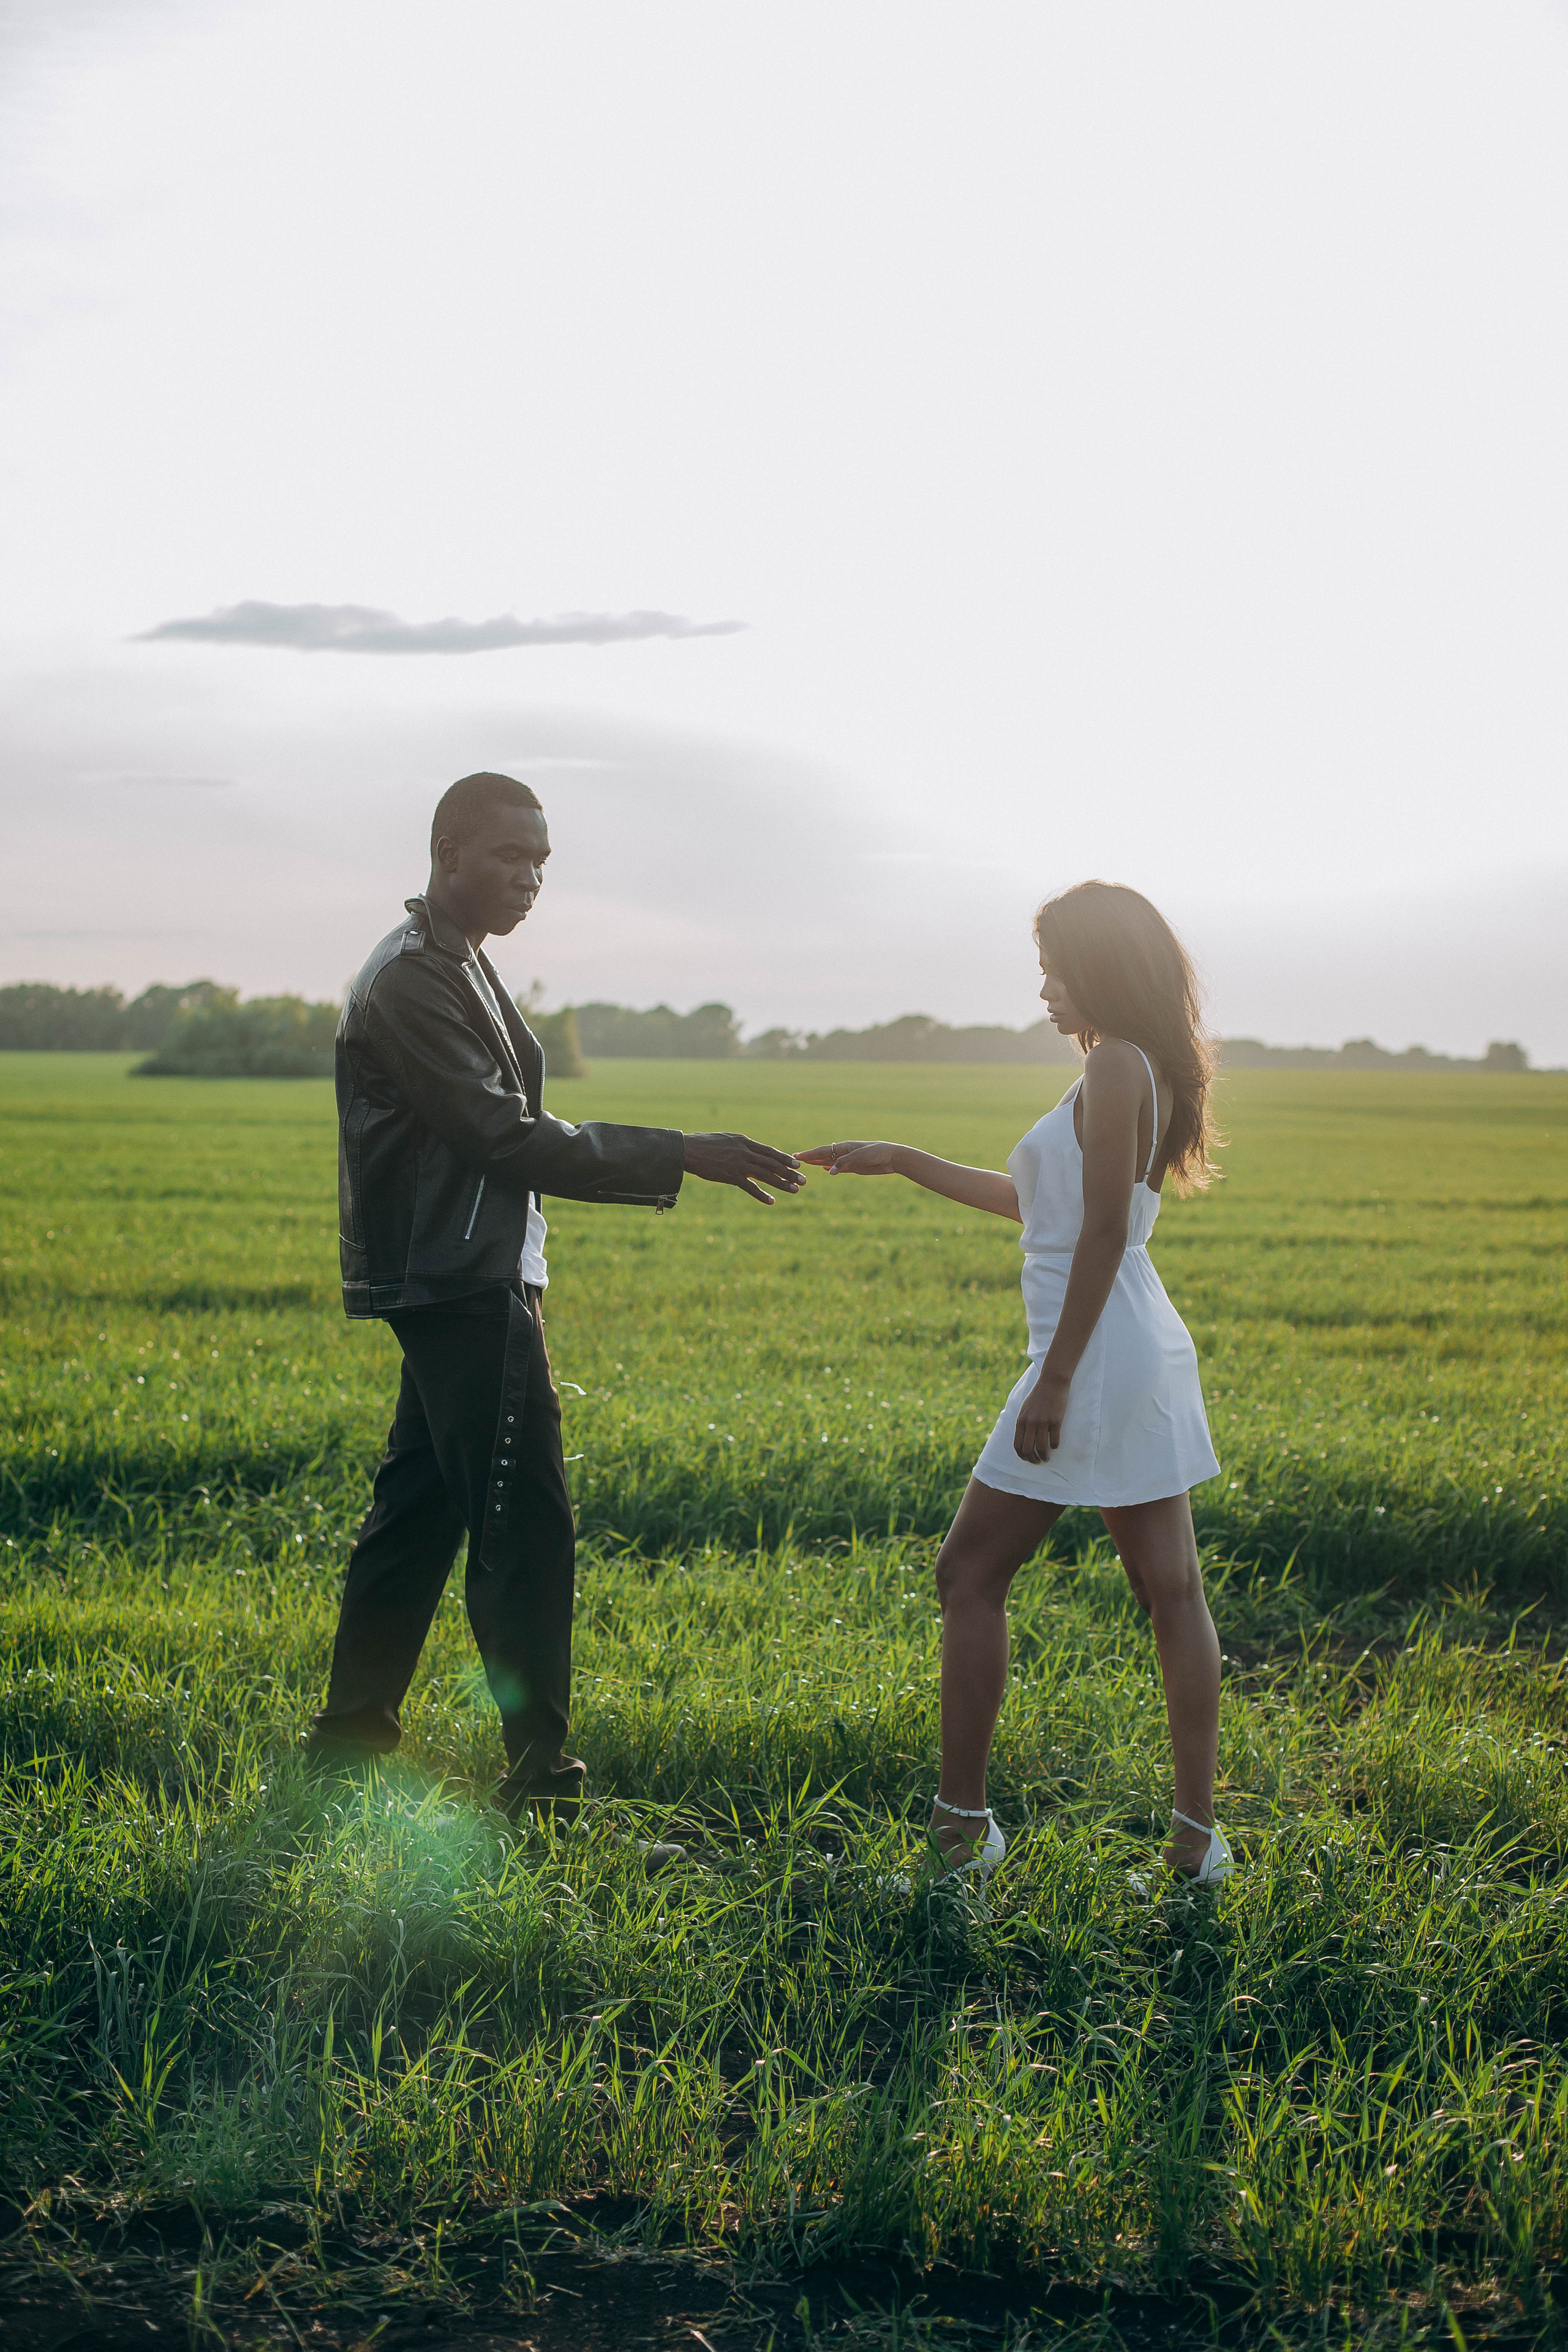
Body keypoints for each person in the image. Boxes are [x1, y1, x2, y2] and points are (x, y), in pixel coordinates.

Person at [310, 770, 802, 1820]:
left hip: (467, 1271)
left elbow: (500, 1130)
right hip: (460, 1280)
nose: (531, 879)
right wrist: (684, 1153)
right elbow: (500, 1134)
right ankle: (544, 1789)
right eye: (509, 856)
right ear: (447, 855)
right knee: (525, 1530)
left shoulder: (457, 965)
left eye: (542, 861)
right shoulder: (411, 981)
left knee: (419, 1514)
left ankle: (346, 1746)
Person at [800, 881, 1228, 1889]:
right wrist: (904, 1160)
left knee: (969, 1574)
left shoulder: (1118, 1064)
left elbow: (1104, 1231)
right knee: (1173, 1595)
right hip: (1135, 1347)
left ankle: (963, 1835)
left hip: (1096, 1355)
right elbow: (1041, 1205)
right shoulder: (1126, 1067)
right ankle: (1197, 1846)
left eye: (1054, 966)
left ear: (1102, 968)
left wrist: (1057, 1378)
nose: (1043, 988)